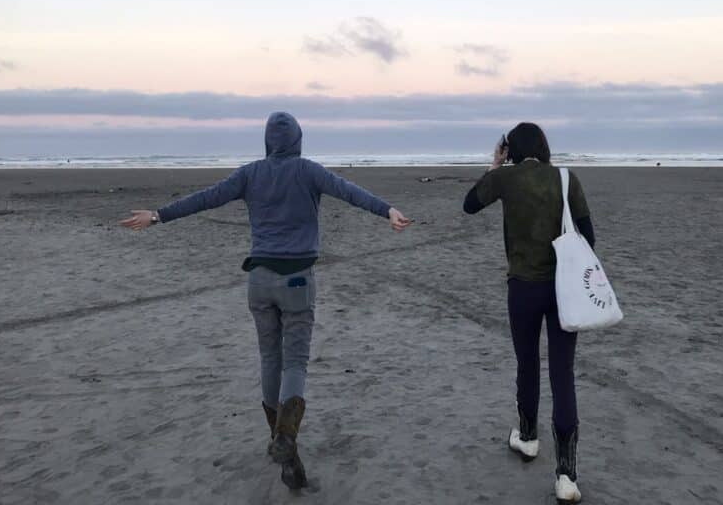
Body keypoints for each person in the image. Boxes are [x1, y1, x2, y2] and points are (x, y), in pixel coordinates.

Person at [120, 112, 410, 490]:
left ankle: (282, 444)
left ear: (267, 142)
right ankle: (285, 436)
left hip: (258, 281)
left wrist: (158, 215)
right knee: (295, 361)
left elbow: (207, 198)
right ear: (298, 141)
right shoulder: (309, 171)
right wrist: (387, 209)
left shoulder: (250, 173)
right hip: (297, 282)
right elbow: (349, 191)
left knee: (270, 358)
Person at [462, 123, 595, 504]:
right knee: (562, 373)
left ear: (511, 149)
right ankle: (567, 476)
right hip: (563, 289)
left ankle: (528, 438)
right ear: (544, 146)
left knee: (527, 363)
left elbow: (469, 204)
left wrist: (494, 165)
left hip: (523, 287)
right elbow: (589, 236)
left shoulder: (506, 178)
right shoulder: (567, 178)